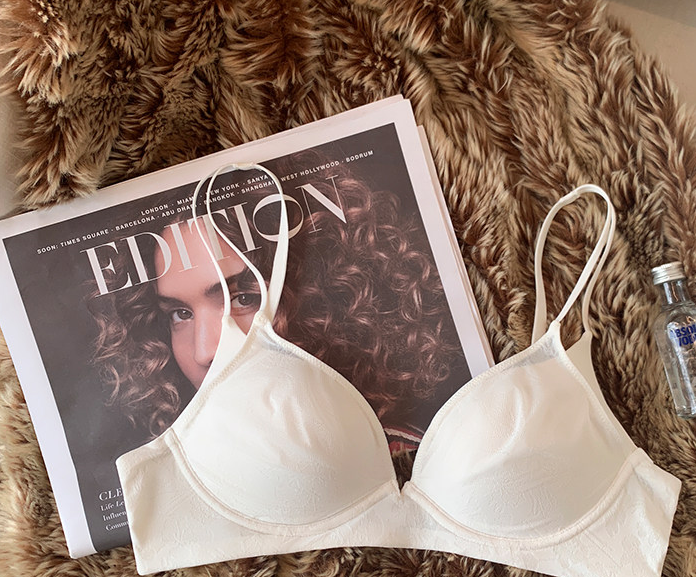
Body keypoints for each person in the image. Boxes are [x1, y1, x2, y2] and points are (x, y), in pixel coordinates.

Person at [88, 162, 471, 455]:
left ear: (328, 299)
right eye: (180, 314)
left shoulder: (419, 456)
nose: (204, 351)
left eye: (243, 298)